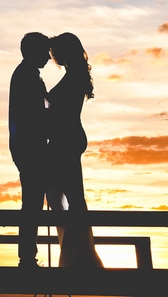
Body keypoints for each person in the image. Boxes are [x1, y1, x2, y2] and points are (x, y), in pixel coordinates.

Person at [46, 32, 103, 268]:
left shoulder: (75, 75)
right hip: (65, 138)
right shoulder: (75, 73)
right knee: (60, 199)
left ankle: (75, 257)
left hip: (65, 140)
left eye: (56, 52)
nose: (53, 57)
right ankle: (74, 254)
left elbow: (62, 108)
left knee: (72, 200)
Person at [9, 32, 54, 268]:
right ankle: (27, 257)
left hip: (28, 146)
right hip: (30, 147)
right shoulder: (26, 76)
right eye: (44, 52)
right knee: (32, 201)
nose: (48, 57)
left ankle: (28, 255)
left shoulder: (27, 74)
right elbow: (32, 114)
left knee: (34, 200)